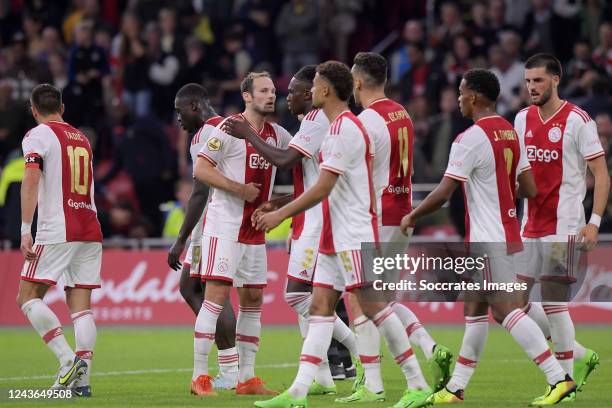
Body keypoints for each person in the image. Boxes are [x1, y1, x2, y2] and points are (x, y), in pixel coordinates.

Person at [252, 61, 431, 408]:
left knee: (377, 308)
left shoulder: (344, 130)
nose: (311, 90)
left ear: (326, 90)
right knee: (318, 308)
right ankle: (299, 392)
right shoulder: (341, 126)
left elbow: (323, 186)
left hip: (352, 233)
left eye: (315, 84)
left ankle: (417, 381)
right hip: (336, 234)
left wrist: (280, 215)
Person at [400, 69, 575, 405]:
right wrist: (501, 190)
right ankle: (455, 388)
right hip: (506, 233)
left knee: (506, 312)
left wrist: (413, 214)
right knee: (475, 308)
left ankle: (558, 378)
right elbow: (529, 188)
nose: (459, 99)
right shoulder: (511, 133)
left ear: (475, 97)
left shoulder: (469, 138)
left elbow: (443, 193)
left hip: (488, 238)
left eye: (463, 93)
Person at [222, 65, 359, 395]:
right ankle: (322, 376)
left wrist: (249, 134)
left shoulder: (314, 120)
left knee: (300, 296)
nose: (290, 97)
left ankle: (359, 351)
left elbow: (284, 161)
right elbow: (313, 182)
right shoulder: (318, 122)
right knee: (313, 299)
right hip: (310, 218)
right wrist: (280, 202)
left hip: (318, 221)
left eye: (299, 90)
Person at [337, 51, 453, 403]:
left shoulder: (367, 121)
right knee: (383, 299)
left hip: (376, 216)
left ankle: (371, 383)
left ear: (357, 82)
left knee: (360, 297)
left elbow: (360, 172)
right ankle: (428, 346)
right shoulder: (401, 113)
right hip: (402, 215)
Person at [513, 54, 610, 398]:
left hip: (564, 226)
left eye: (538, 80)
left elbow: (601, 174)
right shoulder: (522, 118)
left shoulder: (578, 120)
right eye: (527, 81)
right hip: (529, 227)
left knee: (555, 304)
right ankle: (581, 356)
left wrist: (594, 223)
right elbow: (519, 172)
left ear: (555, 79)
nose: (531, 88)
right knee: (512, 304)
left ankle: (563, 381)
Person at [190, 72, 292, 396]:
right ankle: (199, 377)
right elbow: (201, 169)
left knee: (253, 299)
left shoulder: (278, 135)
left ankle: (246, 378)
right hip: (225, 226)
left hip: (256, 230)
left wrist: (277, 202)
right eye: (263, 90)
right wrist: (240, 189)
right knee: (216, 298)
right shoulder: (229, 129)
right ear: (246, 96)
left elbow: (304, 168)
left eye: (273, 91)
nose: (271, 95)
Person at [16, 83, 103, 397]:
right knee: (81, 307)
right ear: (62, 108)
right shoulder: (82, 137)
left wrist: (26, 227)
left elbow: (31, 178)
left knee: (27, 297)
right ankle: (82, 382)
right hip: (90, 228)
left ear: (34, 110)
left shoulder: (37, 135)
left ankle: (68, 362)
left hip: (58, 228)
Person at [166, 83, 238, 390]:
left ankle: (230, 367)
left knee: (209, 292)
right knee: (194, 287)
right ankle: (230, 365)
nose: (177, 119)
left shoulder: (203, 135)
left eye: (179, 111)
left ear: (194, 106)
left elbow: (200, 190)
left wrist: (180, 239)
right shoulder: (225, 127)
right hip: (220, 220)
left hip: (212, 222)